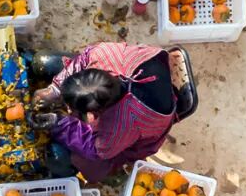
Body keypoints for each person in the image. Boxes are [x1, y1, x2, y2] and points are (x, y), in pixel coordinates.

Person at [30, 42, 188, 185]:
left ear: (95, 113)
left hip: (143, 130)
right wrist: (54, 89)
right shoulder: (105, 55)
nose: (70, 111)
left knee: (60, 155)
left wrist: (59, 123)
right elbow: (84, 58)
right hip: (151, 78)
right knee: (43, 61)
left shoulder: (125, 122)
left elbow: (98, 150)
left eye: (74, 110)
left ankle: (113, 176)